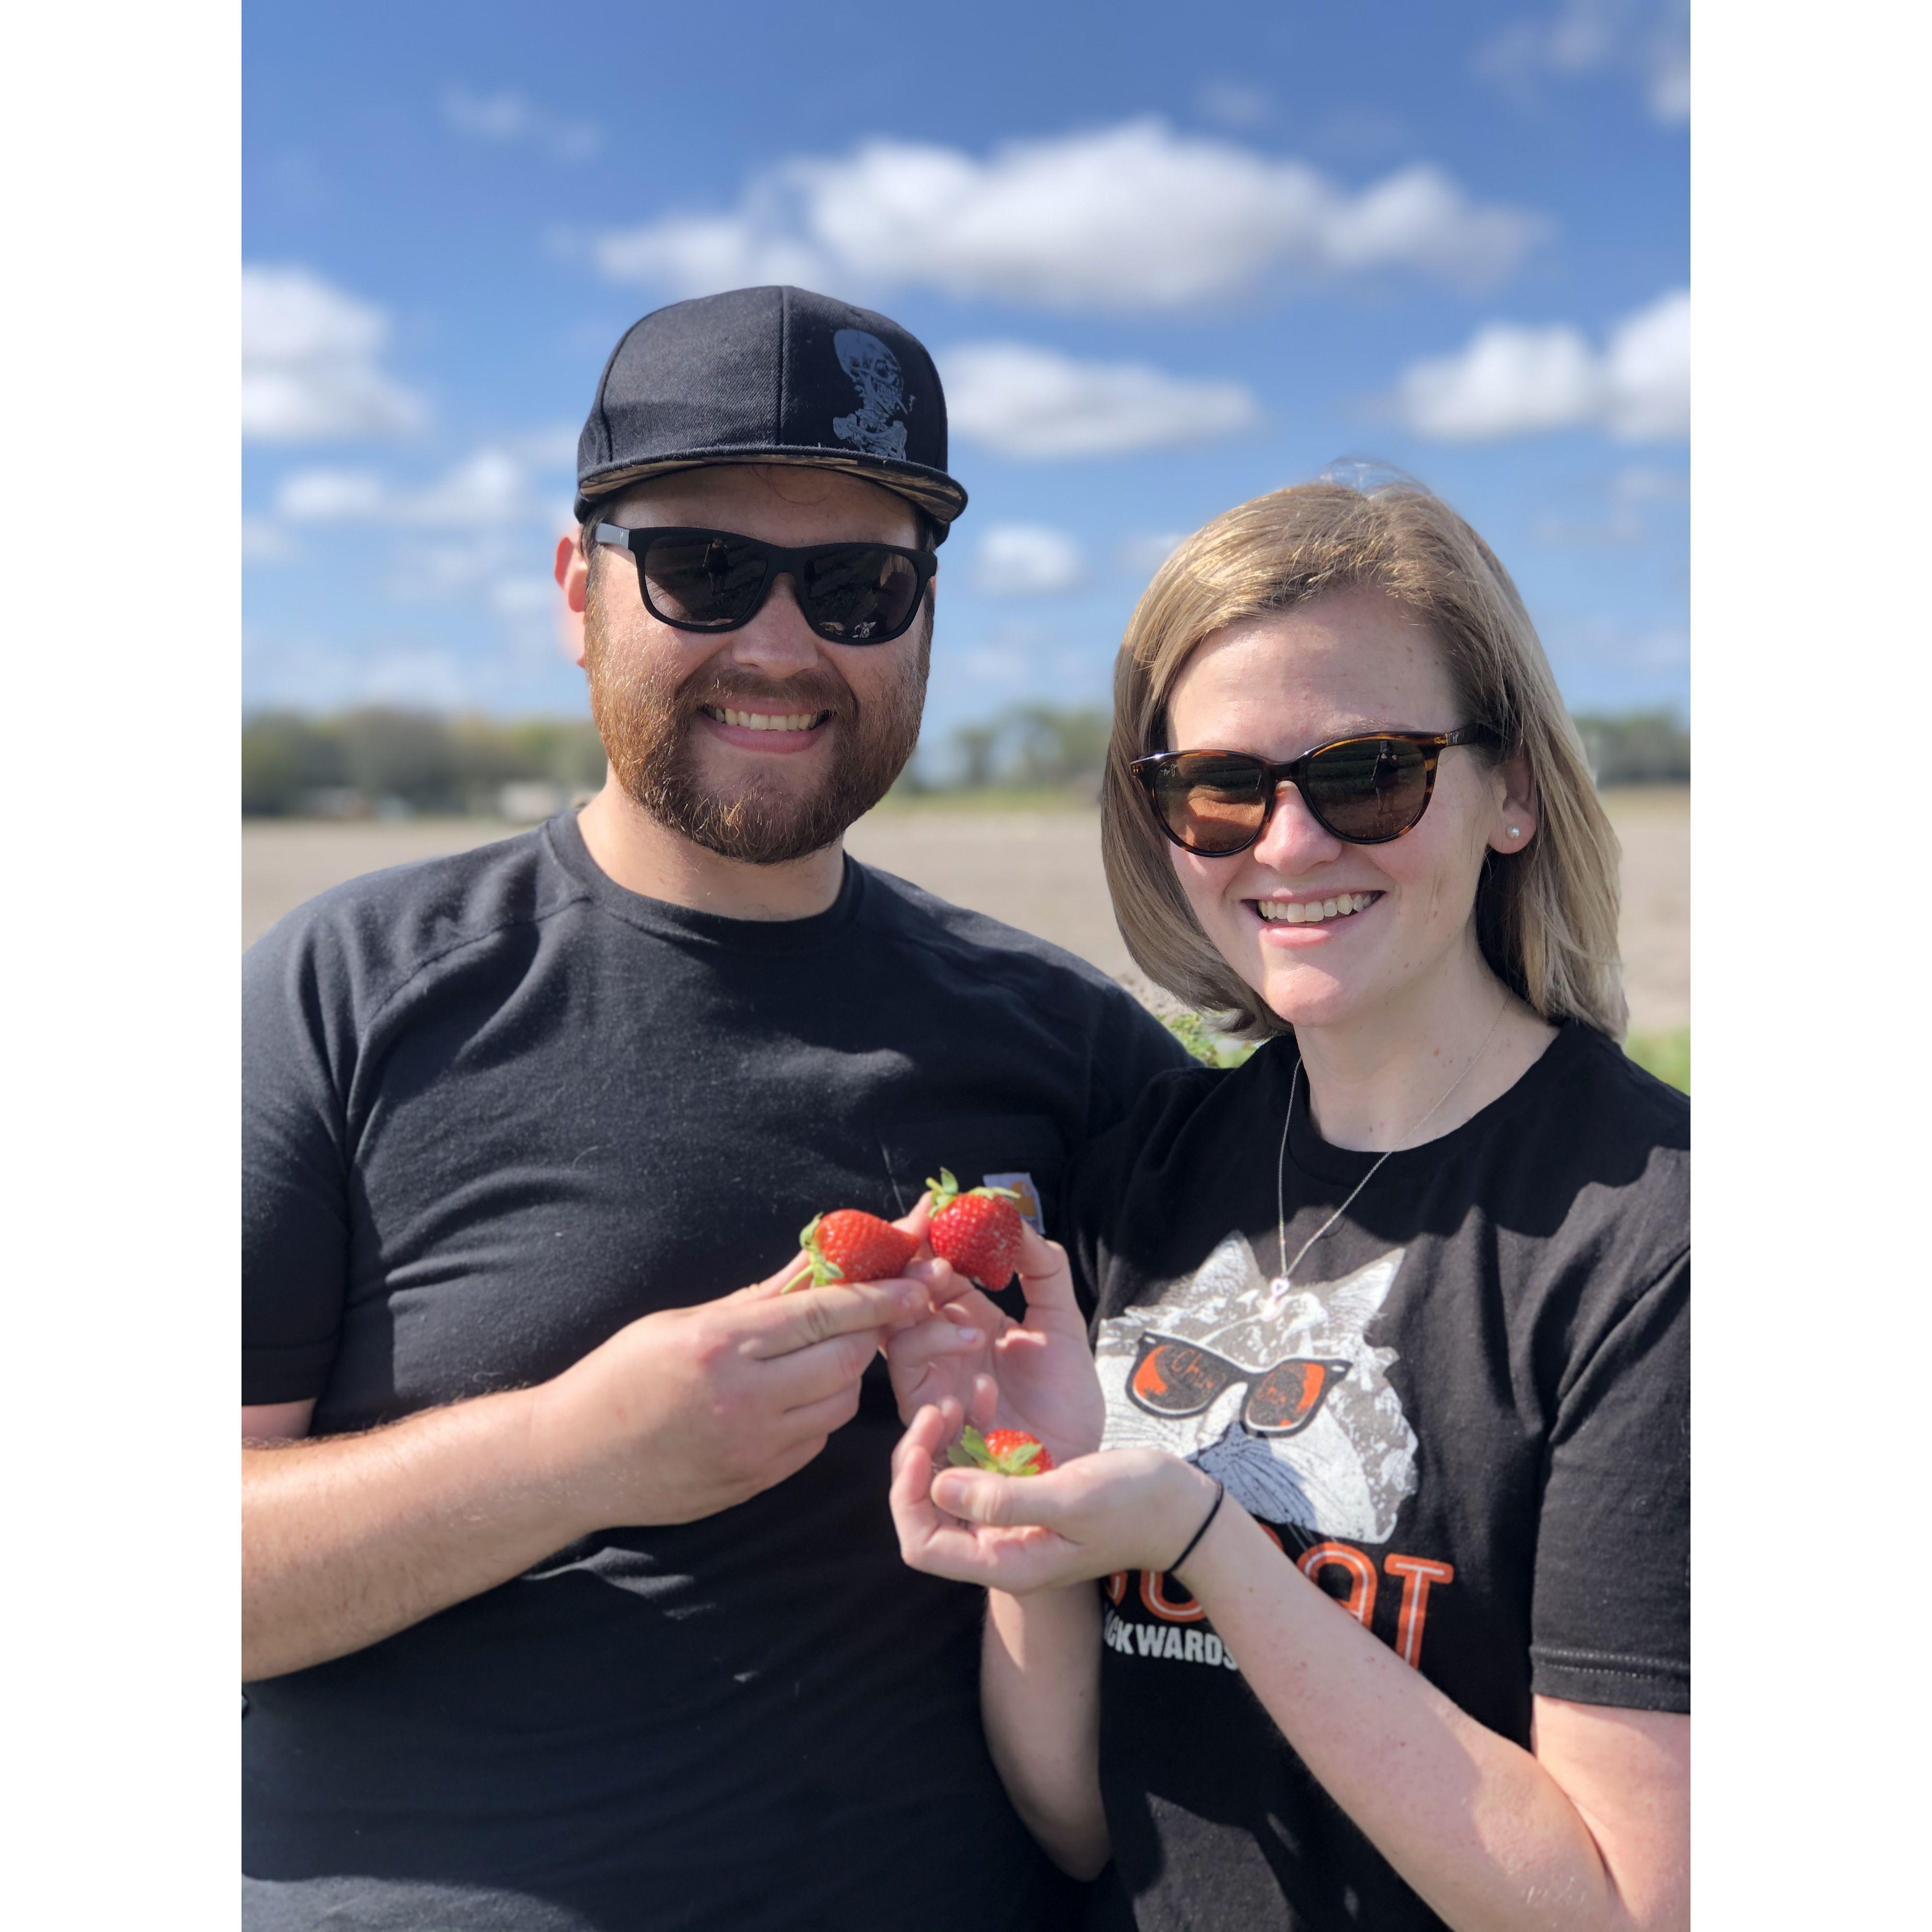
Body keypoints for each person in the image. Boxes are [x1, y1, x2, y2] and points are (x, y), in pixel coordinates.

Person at [241, 284, 1192, 1932]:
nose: (778, 644)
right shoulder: (346, 991)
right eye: (702, 569)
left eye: (856, 585)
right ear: (578, 591)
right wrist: (571, 1455)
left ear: (923, 621)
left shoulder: (1070, 1050)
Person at [885, 479, 1690, 1931]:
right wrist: (1036, 1547)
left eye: (1371, 774)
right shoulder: (1145, 1177)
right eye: (1222, 787)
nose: (1292, 844)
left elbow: (1621, 1907)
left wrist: (1205, 1548)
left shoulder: (1658, 1246)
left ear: (1512, 791)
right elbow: (1082, 1828)